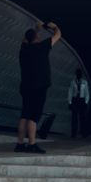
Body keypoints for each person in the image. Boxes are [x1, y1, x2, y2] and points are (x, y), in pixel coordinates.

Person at [16, 20, 61, 154]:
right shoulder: (42, 47)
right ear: (36, 38)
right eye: (38, 36)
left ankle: (19, 144)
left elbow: (25, 39)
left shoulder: (23, 50)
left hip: (25, 87)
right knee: (34, 117)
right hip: (39, 87)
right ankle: (32, 144)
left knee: (24, 114)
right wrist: (53, 26)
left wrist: (36, 29)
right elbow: (58, 35)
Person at [67, 67, 90, 139]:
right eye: (77, 73)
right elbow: (70, 92)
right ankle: (74, 133)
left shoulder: (84, 82)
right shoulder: (73, 82)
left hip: (82, 100)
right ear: (76, 74)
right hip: (75, 100)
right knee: (74, 118)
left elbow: (87, 93)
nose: (78, 74)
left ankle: (84, 133)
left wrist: (86, 102)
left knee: (83, 117)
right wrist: (70, 102)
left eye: (79, 73)